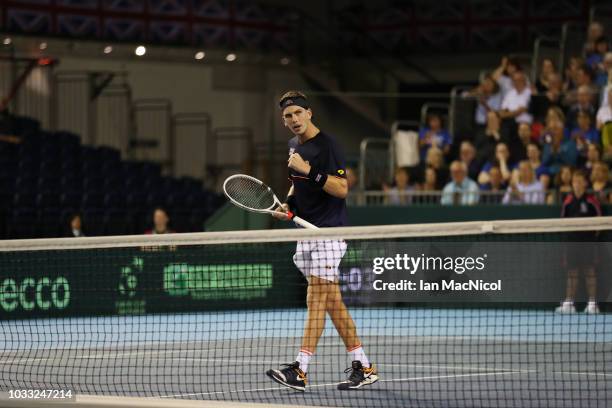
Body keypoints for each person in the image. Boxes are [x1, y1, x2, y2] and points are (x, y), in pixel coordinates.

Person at [267, 91, 378, 391]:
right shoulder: (293, 146)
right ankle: (364, 366)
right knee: (331, 303)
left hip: (329, 233)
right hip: (306, 232)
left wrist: (310, 171)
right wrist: (288, 206)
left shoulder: (328, 146)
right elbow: (295, 184)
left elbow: (342, 188)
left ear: (309, 113)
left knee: (316, 297)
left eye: (298, 113)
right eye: (288, 116)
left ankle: (299, 370)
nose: (293, 120)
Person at [556, 170, 602, 314]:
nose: (577, 184)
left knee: (590, 272)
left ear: (585, 183)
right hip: (572, 243)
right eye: (575, 181)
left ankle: (593, 303)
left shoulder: (591, 201)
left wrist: (591, 237)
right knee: (572, 273)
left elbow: (600, 223)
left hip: (588, 243)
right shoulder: (568, 201)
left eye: (580, 181)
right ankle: (569, 303)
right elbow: (562, 221)